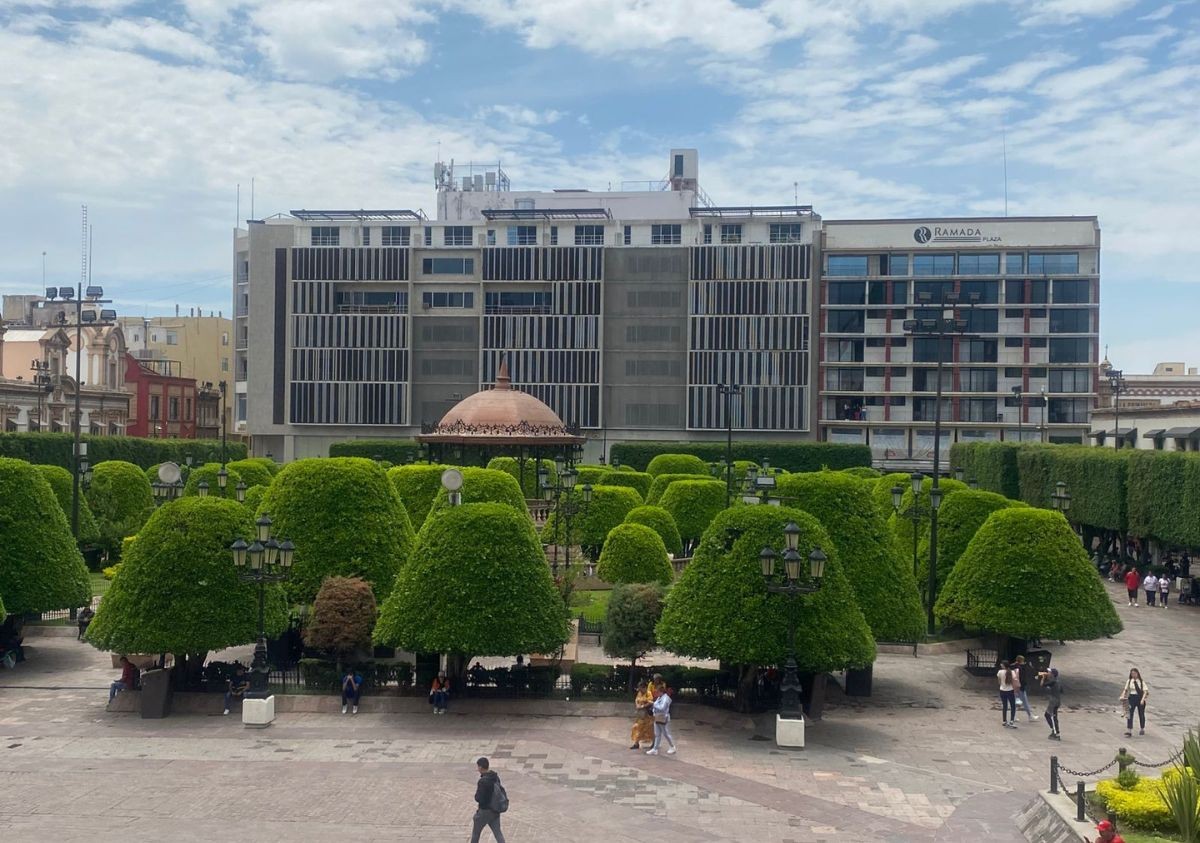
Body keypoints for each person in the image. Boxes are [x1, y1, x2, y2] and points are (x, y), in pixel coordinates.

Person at [470, 756, 506, 843]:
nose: (477, 769)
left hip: (484, 811)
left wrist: (476, 796)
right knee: (498, 833)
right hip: (495, 810)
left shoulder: (482, 781)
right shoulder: (495, 777)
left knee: (476, 833)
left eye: (478, 767)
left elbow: (479, 798)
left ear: (481, 767)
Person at [646, 685, 677, 755]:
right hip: (657, 717)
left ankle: (672, 746)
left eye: (657, 692)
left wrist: (653, 704)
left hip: (663, 717)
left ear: (661, 692)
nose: (656, 693)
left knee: (665, 733)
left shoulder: (666, 699)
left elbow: (662, 708)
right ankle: (655, 748)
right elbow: (656, 706)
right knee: (657, 734)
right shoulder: (659, 697)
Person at [1119, 668, 1149, 737]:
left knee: (1141, 713)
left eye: (1134, 673)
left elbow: (1145, 691)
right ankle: (1129, 730)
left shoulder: (1141, 682)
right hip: (1132, 697)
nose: (1133, 675)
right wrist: (1123, 695)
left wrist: (1142, 700)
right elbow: (1125, 689)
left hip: (1139, 698)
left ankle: (1142, 728)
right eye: (1132, 674)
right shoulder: (1129, 681)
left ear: (1137, 673)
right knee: (1129, 713)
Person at [630, 679, 655, 750]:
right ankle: (636, 743)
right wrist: (637, 705)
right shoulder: (639, 693)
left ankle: (654, 743)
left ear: (644, 687)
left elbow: (650, 701)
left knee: (649, 730)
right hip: (641, 715)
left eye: (641, 688)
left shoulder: (648, 693)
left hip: (647, 716)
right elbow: (636, 699)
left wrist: (643, 706)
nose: (639, 689)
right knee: (637, 728)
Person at [1040, 668, 1062, 740]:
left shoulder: (1053, 682)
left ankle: (1056, 732)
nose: (1047, 673)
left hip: (1054, 702)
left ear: (1052, 674)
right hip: (1057, 701)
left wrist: (1043, 677)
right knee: (1052, 716)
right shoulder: (1057, 681)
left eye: (1049, 672)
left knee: (1051, 716)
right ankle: (1054, 730)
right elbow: (1061, 690)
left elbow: (1042, 684)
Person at [1013, 655, 1036, 722]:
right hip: (1020, 687)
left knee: (1014, 702)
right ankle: (1030, 716)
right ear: (1022, 661)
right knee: (1025, 702)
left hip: (1014, 686)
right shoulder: (1021, 668)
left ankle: (1013, 717)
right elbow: (1023, 678)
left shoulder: (1013, 666)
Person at [997, 661, 1017, 728]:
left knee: (1005, 706)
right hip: (1010, 690)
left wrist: (1002, 685)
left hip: (1002, 690)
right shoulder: (1012, 672)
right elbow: (1014, 681)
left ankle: (1004, 720)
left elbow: (999, 681)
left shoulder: (1000, 672)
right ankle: (1011, 720)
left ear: (1003, 665)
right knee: (1013, 706)